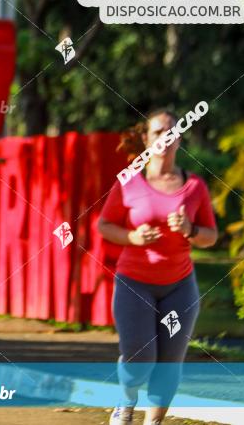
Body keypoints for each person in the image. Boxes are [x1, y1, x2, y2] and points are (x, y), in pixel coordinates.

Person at [98, 108, 218, 425]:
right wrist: (133, 237)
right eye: (157, 132)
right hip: (134, 283)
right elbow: (104, 225)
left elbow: (211, 236)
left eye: (170, 132)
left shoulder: (194, 187)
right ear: (145, 139)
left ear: (179, 138)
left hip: (179, 286)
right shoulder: (129, 182)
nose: (164, 138)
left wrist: (190, 229)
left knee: (169, 362)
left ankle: (153, 422)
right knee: (140, 358)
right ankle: (125, 401)